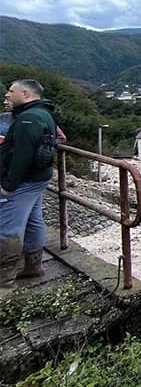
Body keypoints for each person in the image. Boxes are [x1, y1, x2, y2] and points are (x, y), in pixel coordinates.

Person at [0, 79, 57, 294]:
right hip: (38, 178)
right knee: (33, 220)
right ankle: (33, 266)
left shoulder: (28, 118)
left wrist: (9, 184)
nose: (8, 94)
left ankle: (4, 283)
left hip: (24, 181)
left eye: (11, 91)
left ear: (25, 94)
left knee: (6, 229)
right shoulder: (42, 113)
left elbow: (22, 155)